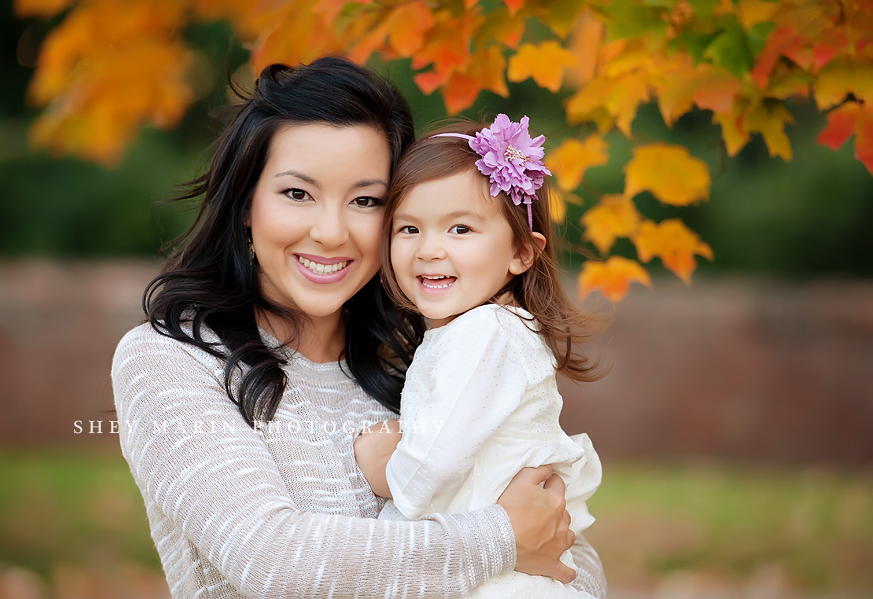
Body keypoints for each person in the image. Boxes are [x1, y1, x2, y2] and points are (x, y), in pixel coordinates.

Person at [111, 57, 608, 598]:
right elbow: (275, 562)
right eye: (297, 193)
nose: (330, 232)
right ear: (246, 205)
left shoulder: (421, 361)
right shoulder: (171, 361)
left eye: (365, 201)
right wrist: (502, 538)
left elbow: (570, 554)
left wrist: (527, 541)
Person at [353, 115, 604, 597]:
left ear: (522, 254)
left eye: (460, 229)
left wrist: (383, 469)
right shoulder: (482, 333)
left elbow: (434, 466)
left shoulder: (484, 334)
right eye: (408, 229)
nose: (429, 249)